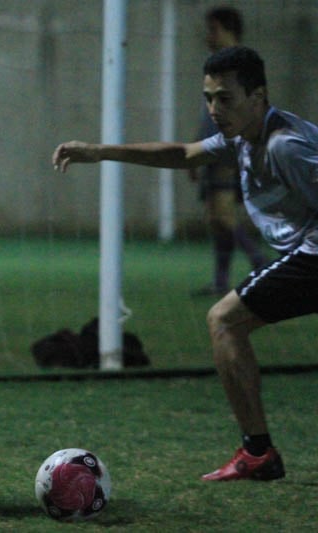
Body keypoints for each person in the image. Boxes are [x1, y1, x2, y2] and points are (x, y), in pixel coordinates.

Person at [53, 45, 318, 481]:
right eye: (208, 98)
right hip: (303, 255)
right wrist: (98, 151)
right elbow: (181, 154)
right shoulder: (242, 135)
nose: (214, 109)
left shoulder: (284, 145)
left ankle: (257, 452)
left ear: (259, 96)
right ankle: (258, 453)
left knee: (226, 321)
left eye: (225, 98)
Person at [190, 6, 267, 296]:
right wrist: (195, 149)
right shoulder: (215, 65)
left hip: (228, 150)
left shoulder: (242, 67)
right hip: (211, 149)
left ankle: (261, 262)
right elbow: (207, 115)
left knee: (222, 215)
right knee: (216, 219)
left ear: (227, 29)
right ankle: (221, 281)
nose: (208, 36)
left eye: (213, 29)